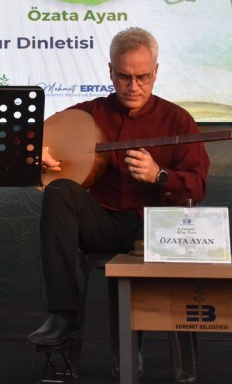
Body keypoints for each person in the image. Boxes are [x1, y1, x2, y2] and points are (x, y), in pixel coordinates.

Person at [28, 28, 210, 358]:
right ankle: (63, 316)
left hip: (151, 229)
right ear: (110, 71)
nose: (133, 86)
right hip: (101, 222)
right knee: (59, 191)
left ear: (156, 72)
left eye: (142, 77)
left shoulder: (177, 120)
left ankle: (129, 351)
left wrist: (160, 176)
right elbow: (31, 139)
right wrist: (35, 149)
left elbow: (197, 186)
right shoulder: (89, 113)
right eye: (124, 77)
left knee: (152, 236)